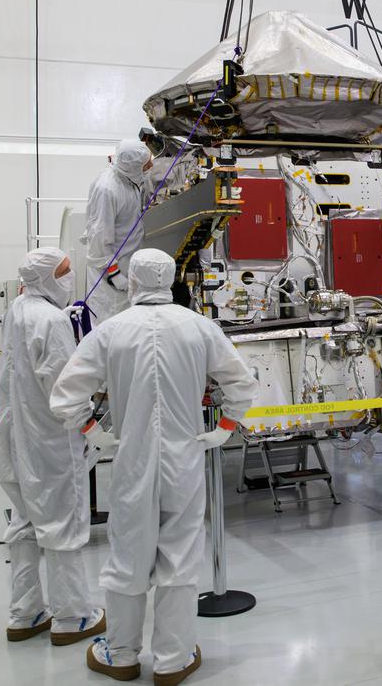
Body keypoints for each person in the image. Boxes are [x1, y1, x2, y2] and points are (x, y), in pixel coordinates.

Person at [50, 248, 260, 684]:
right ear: (168, 280)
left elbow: (67, 394)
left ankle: (122, 654)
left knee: (128, 553)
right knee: (180, 555)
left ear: (132, 281)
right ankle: (173, 658)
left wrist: (92, 430)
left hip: (132, 458)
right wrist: (223, 428)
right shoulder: (200, 327)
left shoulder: (111, 331)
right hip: (184, 458)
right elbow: (241, 383)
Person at [0, 247, 105, 646]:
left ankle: (25, 614)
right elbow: (65, 387)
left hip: (14, 436)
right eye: (63, 273)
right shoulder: (51, 319)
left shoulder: (18, 310)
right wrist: (90, 423)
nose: (68, 279)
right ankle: (73, 616)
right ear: (44, 278)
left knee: (24, 522)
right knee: (63, 524)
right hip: (50, 439)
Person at [82, 139, 153, 326]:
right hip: (110, 279)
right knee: (111, 326)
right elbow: (98, 240)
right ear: (134, 167)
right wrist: (114, 276)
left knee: (128, 327)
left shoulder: (130, 178)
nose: (151, 166)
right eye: (147, 164)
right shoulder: (107, 189)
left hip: (127, 267)